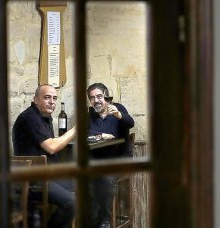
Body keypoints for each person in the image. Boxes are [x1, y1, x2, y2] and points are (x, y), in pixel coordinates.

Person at [12, 84, 77, 228]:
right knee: (71, 202)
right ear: (36, 100)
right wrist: (76, 129)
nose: (52, 102)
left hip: (46, 175)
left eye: (54, 98)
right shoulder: (30, 117)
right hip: (31, 180)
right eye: (47, 97)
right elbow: (52, 147)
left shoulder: (45, 117)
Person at [86, 82, 134, 228]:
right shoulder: (91, 114)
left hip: (120, 159)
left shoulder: (118, 109)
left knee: (105, 177)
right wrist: (101, 134)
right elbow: (87, 132)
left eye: (99, 96)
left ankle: (104, 220)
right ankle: (93, 220)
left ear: (106, 96)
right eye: (92, 98)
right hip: (99, 159)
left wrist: (119, 115)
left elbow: (130, 123)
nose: (96, 100)